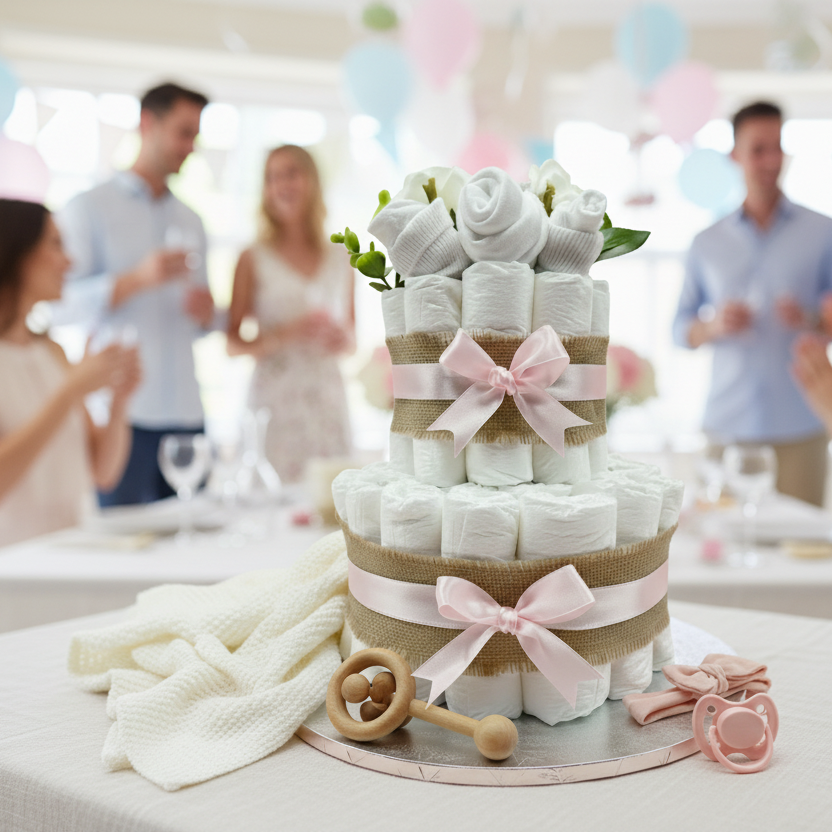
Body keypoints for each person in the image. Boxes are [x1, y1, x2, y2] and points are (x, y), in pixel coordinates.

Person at [55, 82, 216, 506]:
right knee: (121, 556)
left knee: (195, 552)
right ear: (148, 124)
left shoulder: (193, 220)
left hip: (187, 413)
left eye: (195, 136)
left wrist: (207, 316)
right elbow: (59, 307)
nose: (191, 147)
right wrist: (134, 280)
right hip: (125, 417)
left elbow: (201, 326)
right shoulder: (88, 208)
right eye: (184, 132)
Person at [673, 101, 832, 507]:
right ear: (735, 156)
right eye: (759, 148)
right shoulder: (706, 243)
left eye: (777, 147)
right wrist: (713, 326)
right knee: (723, 554)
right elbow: (679, 331)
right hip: (727, 427)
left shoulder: (822, 232)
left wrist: (811, 318)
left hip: (802, 426)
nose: (771, 160)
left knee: (803, 553)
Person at [0, 199, 141, 546]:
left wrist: (119, 402)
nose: (70, 261)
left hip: (72, 551)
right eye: (56, 244)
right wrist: (69, 393)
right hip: (13, 562)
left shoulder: (52, 351)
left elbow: (102, 473)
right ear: (17, 251)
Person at [226, 145, 354, 484]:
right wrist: (286, 334)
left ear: (311, 180)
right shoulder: (252, 258)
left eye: (290, 173)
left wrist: (341, 338)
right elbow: (232, 344)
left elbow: (352, 339)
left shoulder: (342, 257)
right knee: (270, 499)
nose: (281, 184)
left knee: (329, 504)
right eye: (271, 177)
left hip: (326, 398)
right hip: (274, 403)